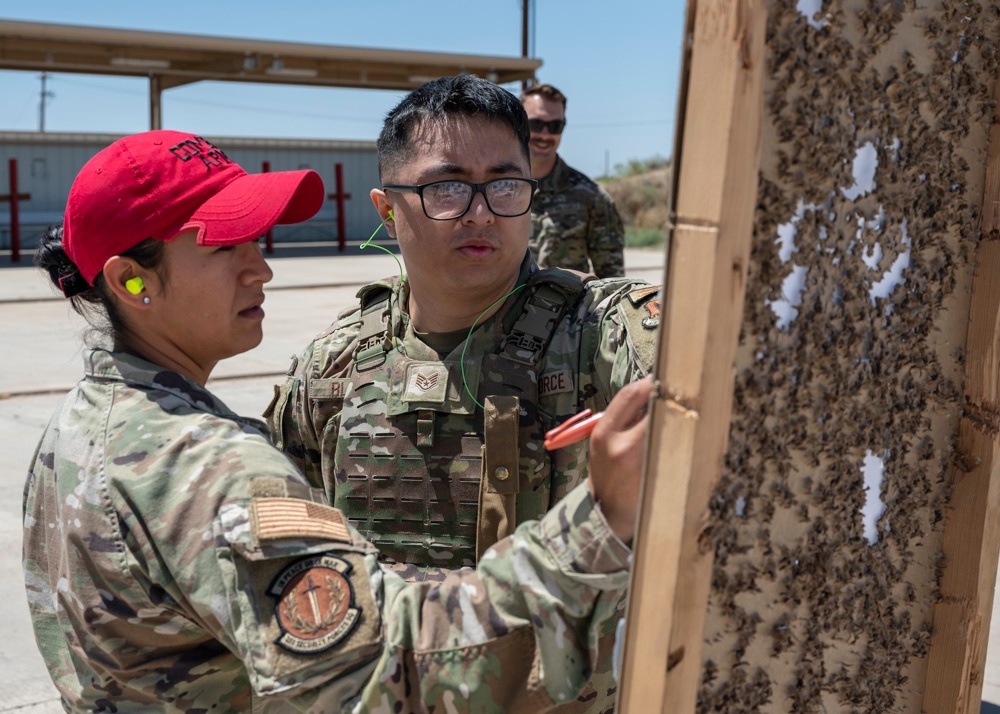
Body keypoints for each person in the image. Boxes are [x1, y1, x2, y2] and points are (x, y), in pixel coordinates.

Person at [22, 129, 653, 712]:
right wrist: (599, 525)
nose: (260, 268)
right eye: (226, 246)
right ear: (132, 283)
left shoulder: (81, 428)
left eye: (256, 241)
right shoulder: (206, 466)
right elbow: (383, 674)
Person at [268, 75, 662, 712]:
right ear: (387, 208)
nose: (480, 211)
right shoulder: (333, 366)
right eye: (445, 187)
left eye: (505, 184)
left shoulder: (598, 330)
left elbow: (699, 353)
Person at [520, 83, 626, 278]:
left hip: (564, 308)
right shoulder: (495, 189)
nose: (545, 135)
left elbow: (612, 281)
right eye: (536, 124)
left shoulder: (591, 197)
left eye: (555, 126)